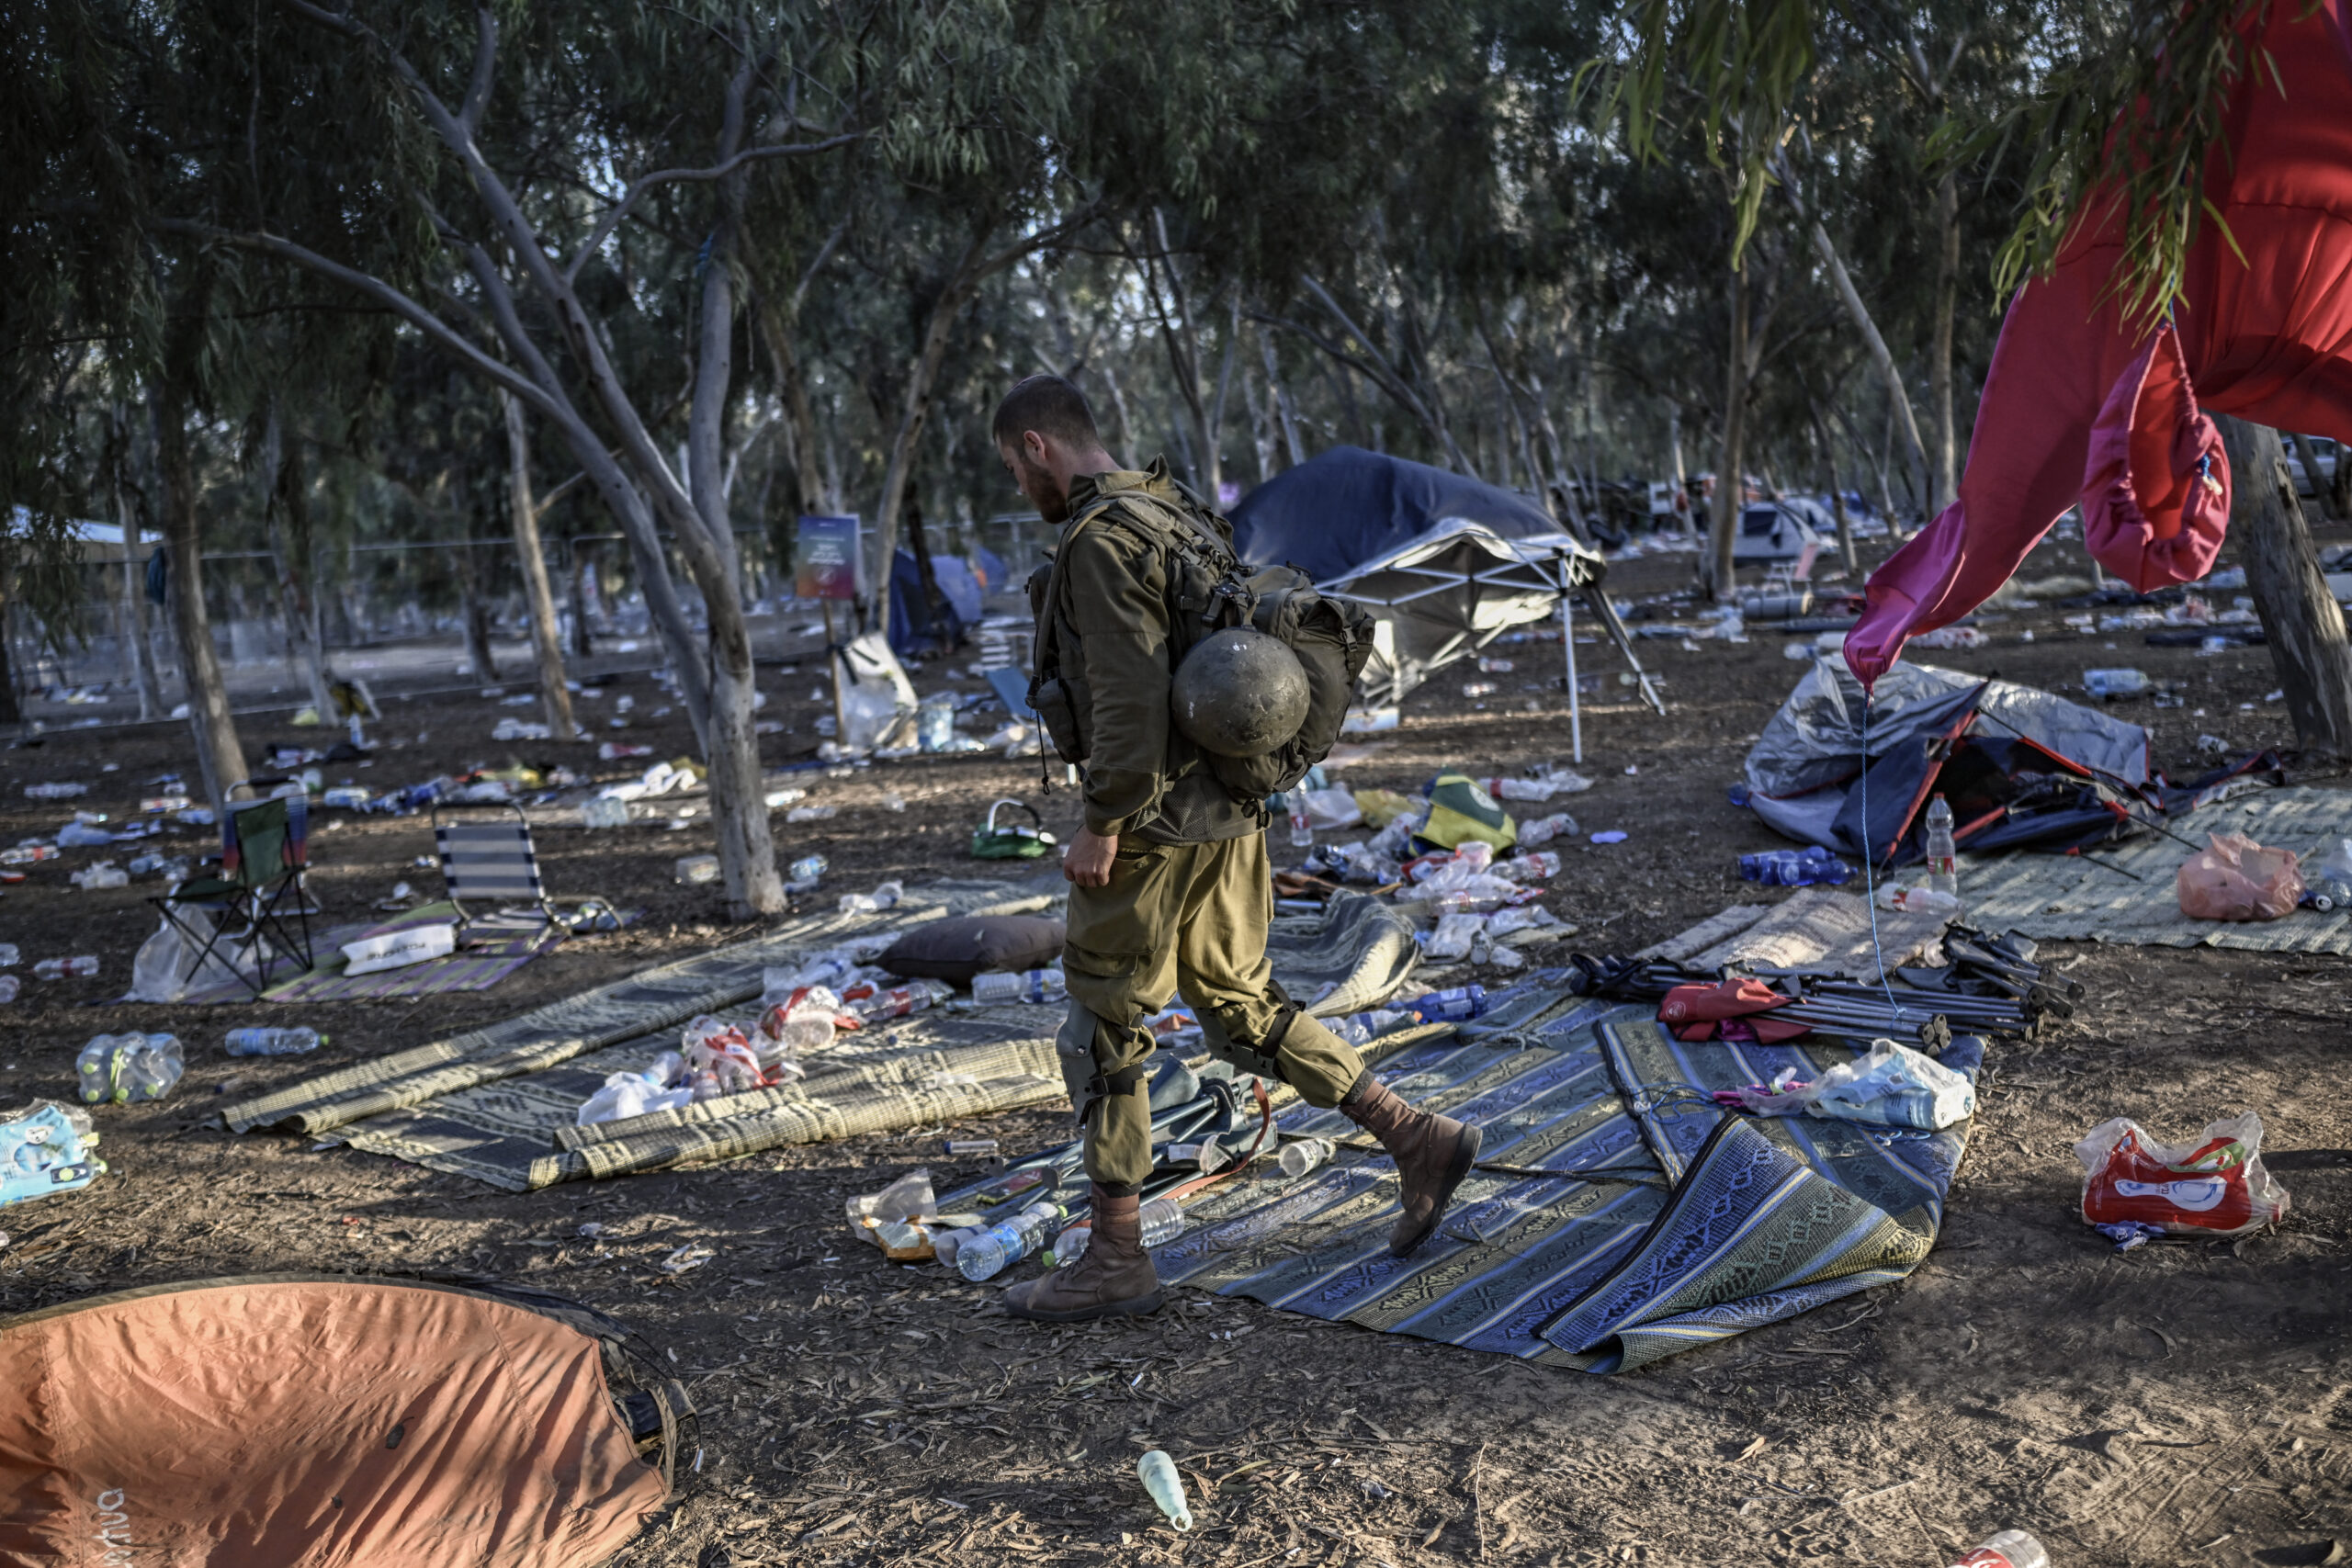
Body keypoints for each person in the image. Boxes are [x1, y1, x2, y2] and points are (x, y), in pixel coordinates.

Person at [990, 373, 1481, 1324]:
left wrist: (1101, 823)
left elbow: (1129, 702)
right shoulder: (1173, 510)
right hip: (1228, 810)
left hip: (1150, 825)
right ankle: (1414, 1136)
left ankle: (1116, 1257)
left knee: (1104, 1025)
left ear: (1037, 447)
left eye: (1015, 467)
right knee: (1241, 1004)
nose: (1021, 486)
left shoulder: (1100, 540)